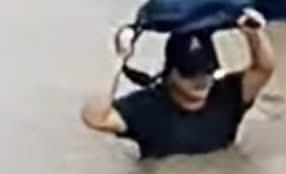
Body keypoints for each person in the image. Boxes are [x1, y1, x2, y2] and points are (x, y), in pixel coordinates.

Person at [81, 13, 275, 160]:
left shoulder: (227, 95)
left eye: (206, 71)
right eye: (190, 73)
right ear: (169, 73)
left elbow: (264, 68)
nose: (201, 81)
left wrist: (253, 32)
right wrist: (120, 58)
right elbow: (95, 117)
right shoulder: (146, 109)